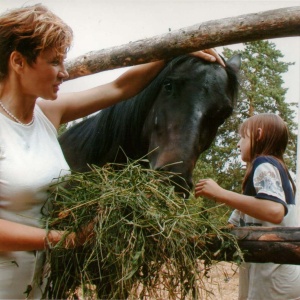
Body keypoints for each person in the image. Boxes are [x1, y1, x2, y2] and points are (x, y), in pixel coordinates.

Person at [0, 4, 225, 299]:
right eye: (54, 62)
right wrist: (67, 239)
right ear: (18, 61)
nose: (64, 73)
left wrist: (173, 51)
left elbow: (121, 88)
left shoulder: (48, 114)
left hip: (38, 282)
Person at [195, 113, 300, 300]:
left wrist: (221, 194)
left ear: (258, 134)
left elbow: (274, 210)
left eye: (242, 137)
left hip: (272, 283)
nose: (238, 144)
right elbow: (240, 217)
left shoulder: (264, 163)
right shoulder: (277, 170)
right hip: (277, 279)